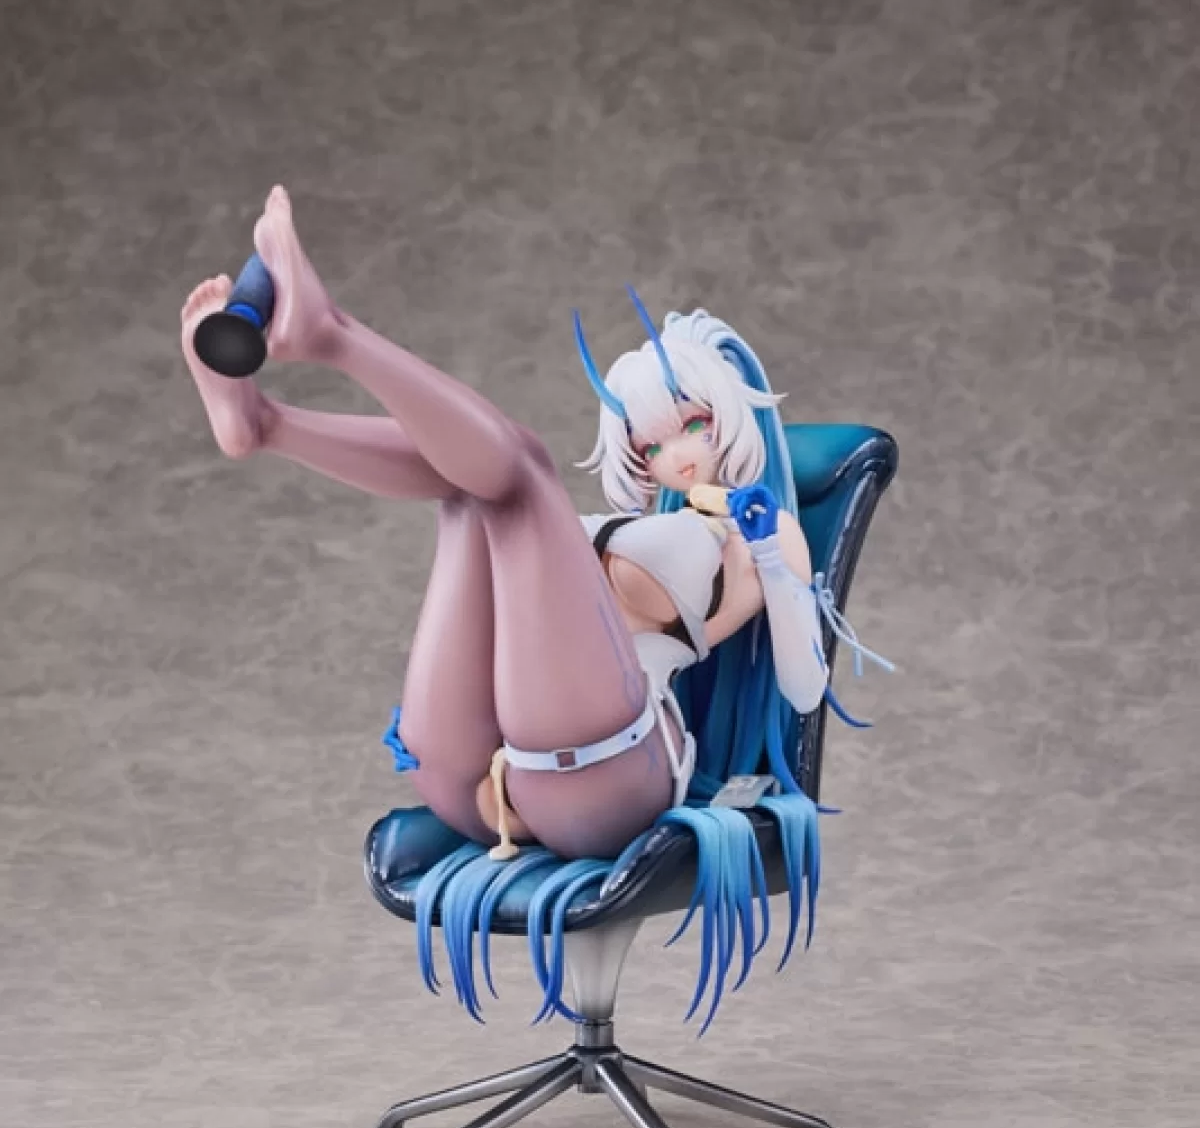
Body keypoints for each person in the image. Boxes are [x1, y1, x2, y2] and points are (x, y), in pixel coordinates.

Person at [182, 188, 885, 1025]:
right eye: (650, 444)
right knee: (469, 485)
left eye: (690, 425)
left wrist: (770, 554)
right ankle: (263, 423)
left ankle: (329, 337)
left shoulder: (753, 534)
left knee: (519, 470)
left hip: (610, 779)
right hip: (478, 774)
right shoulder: (635, 527)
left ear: (728, 415)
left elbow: (803, 690)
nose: (673, 456)